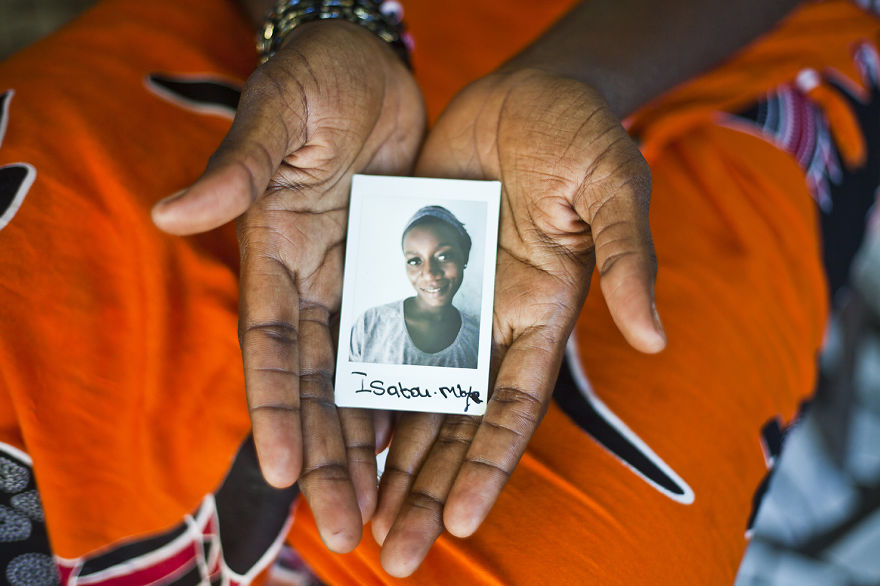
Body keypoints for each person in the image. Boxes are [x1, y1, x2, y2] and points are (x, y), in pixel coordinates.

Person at [0, 0, 876, 584]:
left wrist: (578, 79)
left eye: (434, 265)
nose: (422, 276)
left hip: (689, 37)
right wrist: (325, 20)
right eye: (412, 262)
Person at [349, 205, 479, 368]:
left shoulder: (477, 339)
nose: (429, 273)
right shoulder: (371, 324)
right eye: (415, 261)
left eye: (444, 256)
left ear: (464, 256)